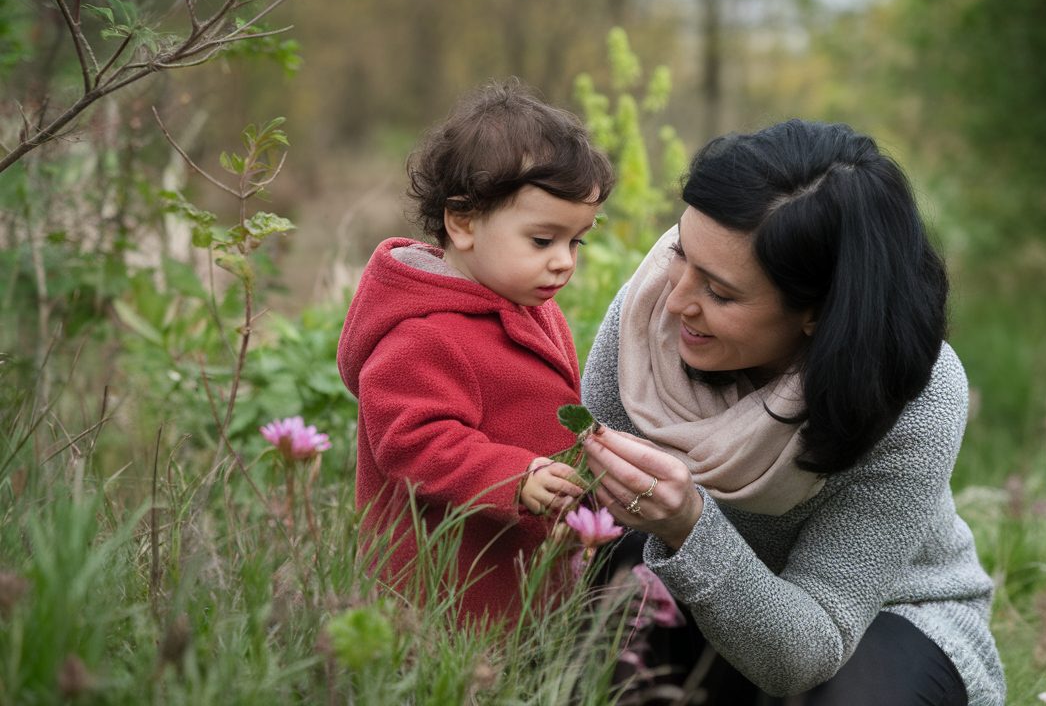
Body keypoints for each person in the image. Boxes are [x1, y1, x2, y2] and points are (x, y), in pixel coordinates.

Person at [581, 120, 1006, 704]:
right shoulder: (648, 320)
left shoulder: (914, 397)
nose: (676, 299)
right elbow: (591, 526)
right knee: (612, 594)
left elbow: (812, 646)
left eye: (721, 294)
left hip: (879, 617)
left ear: (818, 312)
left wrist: (688, 526)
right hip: (694, 602)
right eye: (682, 252)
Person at [337, 80, 614, 620]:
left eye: (575, 241)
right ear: (462, 223)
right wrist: (516, 477)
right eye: (543, 240)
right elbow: (412, 441)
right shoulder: (424, 332)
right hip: (440, 584)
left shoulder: (530, 304)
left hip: (516, 569)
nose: (563, 261)